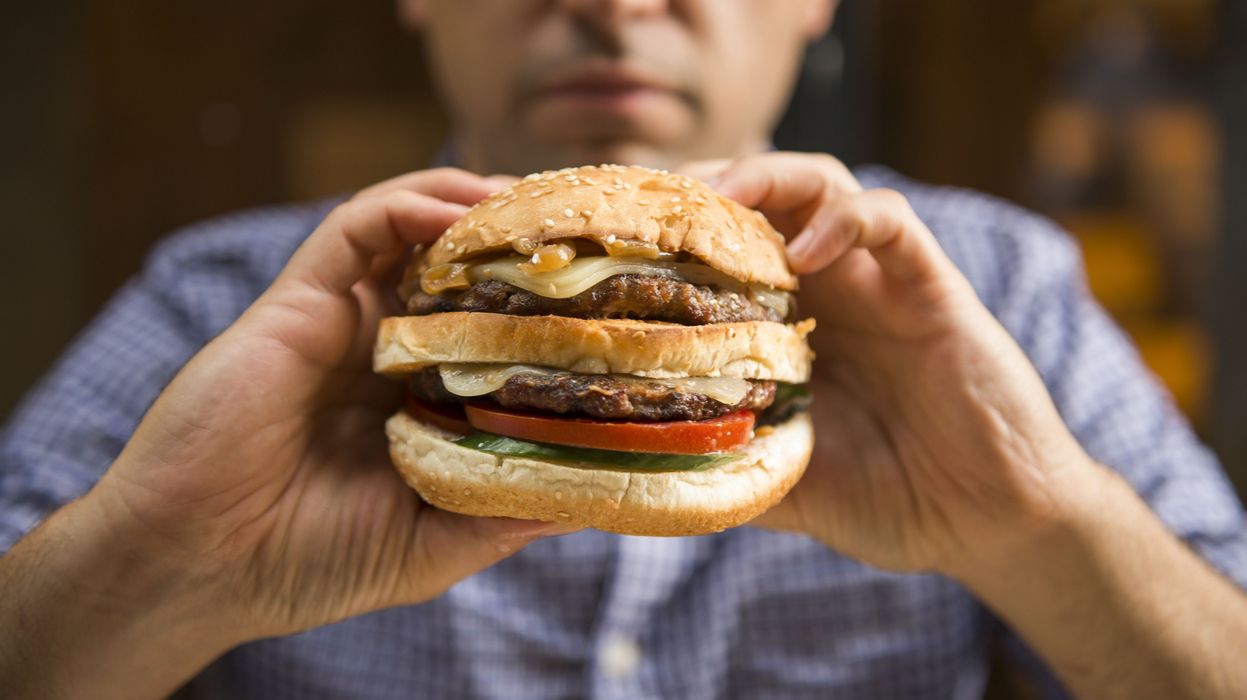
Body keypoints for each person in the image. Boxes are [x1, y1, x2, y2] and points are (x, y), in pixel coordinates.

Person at [2, 1, 1246, 698]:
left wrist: (1032, 524)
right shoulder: (223, 300)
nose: (611, 3)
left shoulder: (995, 287)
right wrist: (169, 561)